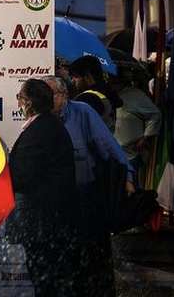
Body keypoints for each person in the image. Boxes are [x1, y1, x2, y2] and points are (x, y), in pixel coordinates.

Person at [42, 76, 135, 297]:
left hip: (86, 200)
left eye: (49, 95)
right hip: (57, 204)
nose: (44, 100)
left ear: (63, 96)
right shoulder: (41, 119)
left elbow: (110, 148)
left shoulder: (82, 113)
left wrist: (128, 178)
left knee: (94, 263)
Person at [7, 79, 80, 297]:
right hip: (51, 220)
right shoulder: (49, 126)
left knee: (44, 279)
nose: (18, 103)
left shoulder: (38, 132)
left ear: (28, 103)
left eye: (19, 98)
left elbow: (22, 177)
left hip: (43, 223)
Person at [110, 70, 161, 186]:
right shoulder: (110, 96)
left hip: (130, 154)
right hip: (112, 154)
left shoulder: (136, 96)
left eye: (113, 79)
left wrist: (146, 137)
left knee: (131, 188)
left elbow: (155, 114)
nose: (111, 82)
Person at [68, 55, 123, 132]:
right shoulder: (108, 93)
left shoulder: (87, 99)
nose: (73, 81)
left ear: (88, 76)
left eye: (76, 77)